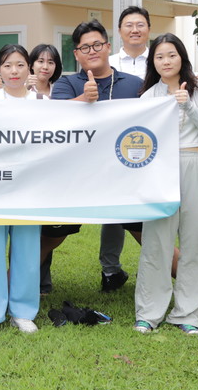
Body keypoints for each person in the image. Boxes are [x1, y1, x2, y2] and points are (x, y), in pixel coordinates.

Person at [134, 33, 198, 336]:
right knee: (156, 242)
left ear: (182, 57)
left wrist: (189, 107)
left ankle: (188, 313)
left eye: (171, 55)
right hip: (161, 172)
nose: (166, 61)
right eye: (159, 57)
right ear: (153, 62)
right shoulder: (148, 98)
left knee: (197, 241)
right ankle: (149, 312)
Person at [49, 20, 144, 292]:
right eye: (84, 47)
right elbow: (52, 119)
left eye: (97, 45)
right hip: (76, 179)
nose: (92, 51)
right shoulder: (67, 84)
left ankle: (197, 291)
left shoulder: (136, 85)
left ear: (108, 47)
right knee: (48, 239)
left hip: (124, 179)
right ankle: (9, 286)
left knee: (149, 238)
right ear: (76, 54)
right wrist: (82, 101)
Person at [0, 44, 41, 334]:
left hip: (29, 186)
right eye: (7, 65)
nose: (14, 71)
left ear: (30, 68)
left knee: (26, 248)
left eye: (20, 65)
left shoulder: (42, 101)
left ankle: (23, 312)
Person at [24, 43, 63, 292]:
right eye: (40, 61)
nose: (45, 66)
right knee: (28, 225)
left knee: (47, 226)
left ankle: (42, 279)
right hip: (27, 165)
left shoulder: (61, 90)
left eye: (50, 62)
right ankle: (25, 277)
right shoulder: (22, 89)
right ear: (32, 63)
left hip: (53, 166)